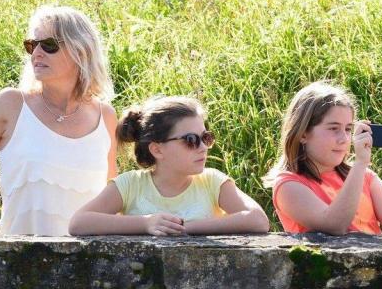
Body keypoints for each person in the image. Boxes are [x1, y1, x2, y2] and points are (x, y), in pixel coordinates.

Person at [0, 5, 117, 235]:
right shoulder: (11, 105)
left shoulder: (106, 116)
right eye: (32, 45)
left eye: (49, 45)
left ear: (80, 51)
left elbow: (112, 202)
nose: (36, 53)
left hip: (89, 266)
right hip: (16, 264)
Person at [69, 95, 270, 236]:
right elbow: (79, 222)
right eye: (191, 140)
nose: (202, 148)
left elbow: (258, 220)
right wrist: (146, 223)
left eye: (206, 138)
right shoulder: (131, 185)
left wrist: (187, 227)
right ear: (157, 150)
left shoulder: (213, 181)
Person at [264, 80, 382, 235]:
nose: (344, 139)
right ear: (303, 133)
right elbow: (334, 226)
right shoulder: (288, 185)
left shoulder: (364, 176)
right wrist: (360, 164)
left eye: (348, 129)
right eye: (334, 128)